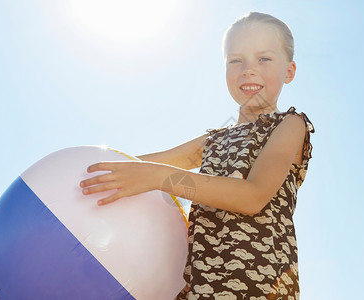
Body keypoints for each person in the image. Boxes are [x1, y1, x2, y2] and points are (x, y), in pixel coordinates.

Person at [80, 11, 314, 300]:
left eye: (263, 59)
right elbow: (141, 164)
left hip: (260, 286)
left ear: (289, 71)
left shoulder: (291, 125)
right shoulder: (214, 139)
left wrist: (158, 178)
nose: (248, 69)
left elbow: (252, 196)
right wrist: (84, 169)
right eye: (236, 60)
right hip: (199, 287)